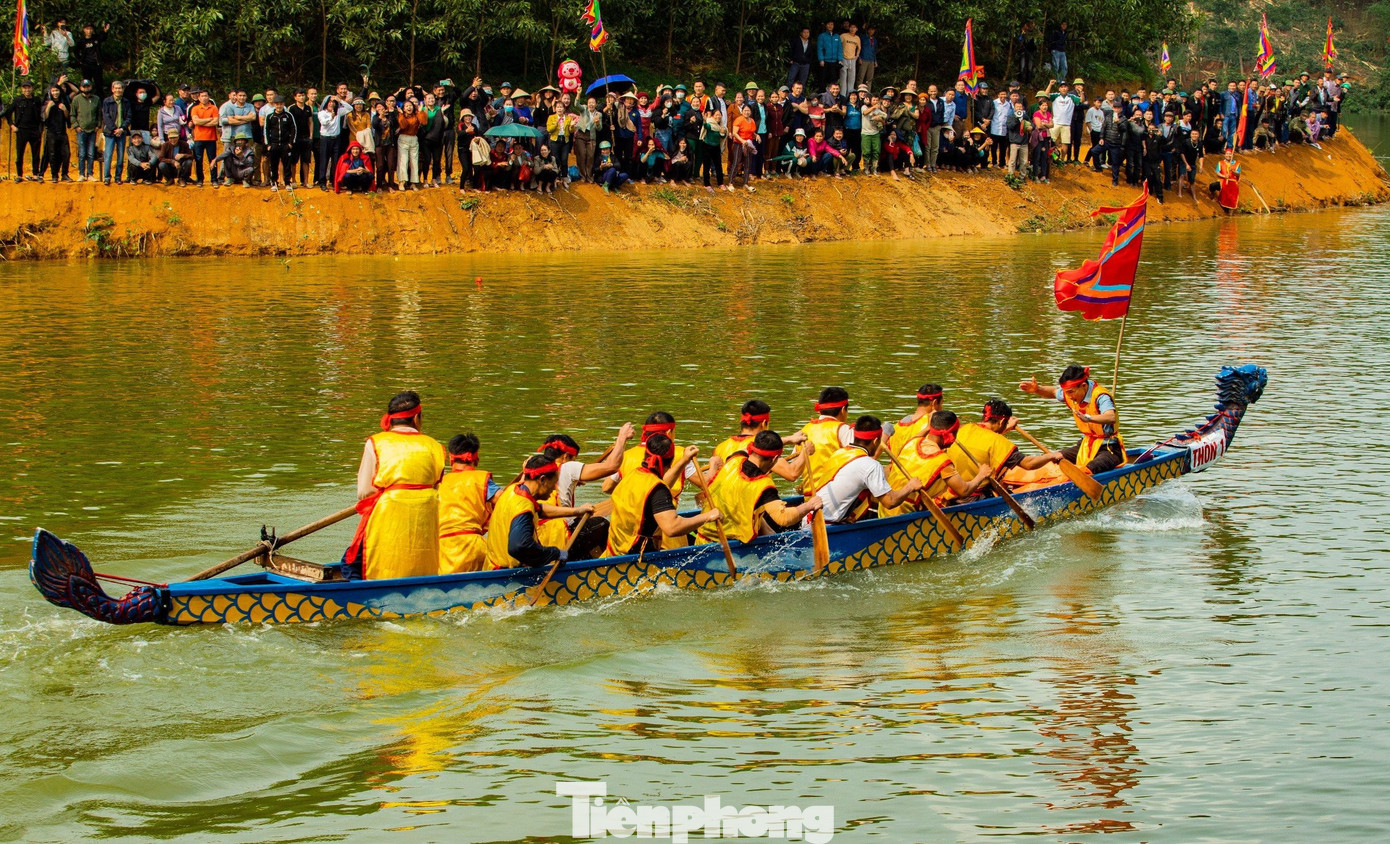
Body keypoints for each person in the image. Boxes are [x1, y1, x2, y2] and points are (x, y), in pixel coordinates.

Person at [345, 392, 445, 579]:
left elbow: (364, 491)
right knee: (420, 562)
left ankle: (357, 592)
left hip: (388, 514)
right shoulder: (435, 446)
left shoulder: (376, 442)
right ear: (416, 418)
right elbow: (437, 486)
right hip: (425, 517)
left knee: (349, 562)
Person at [695, 431, 824, 544]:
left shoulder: (735, 458)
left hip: (701, 539)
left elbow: (751, 448)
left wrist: (790, 439)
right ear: (775, 459)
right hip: (728, 547)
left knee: (760, 517)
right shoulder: (762, 484)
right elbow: (783, 518)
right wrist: (810, 505)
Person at [603, 435, 720, 557]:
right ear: (671, 462)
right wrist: (708, 516)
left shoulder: (634, 475)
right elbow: (672, 528)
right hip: (635, 559)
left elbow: (659, 485)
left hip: (613, 551)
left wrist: (685, 460)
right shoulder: (658, 490)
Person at [532, 424, 632, 558]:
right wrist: (622, 438)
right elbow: (612, 466)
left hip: (535, 537)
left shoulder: (534, 467)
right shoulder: (567, 467)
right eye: (574, 459)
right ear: (566, 457)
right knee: (601, 524)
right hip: (559, 537)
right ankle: (603, 564)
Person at [803, 415, 922, 524]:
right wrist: (910, 486)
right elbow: (890, 501)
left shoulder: (840, 453)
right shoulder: (871, 465)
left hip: (808, 518)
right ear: (875, 441)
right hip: (823, 527)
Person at [881, 411, 992, 516]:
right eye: (955, 433)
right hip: (903, 514)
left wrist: (929, 427)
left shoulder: (912, 441)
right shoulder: (942, 461)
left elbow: (920, 434)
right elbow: (964, 490)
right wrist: (981, 475)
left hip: (884, 506)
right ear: (950, 435)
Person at [1019, 365, 1126, 474]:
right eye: (1066, 392)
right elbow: (1054, 392)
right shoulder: (1070, 392)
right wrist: (1037, 389)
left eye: (1070, 392)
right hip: (1085, 445)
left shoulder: (1101, 396)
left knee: (1088, 470)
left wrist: (1088, 418)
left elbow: (1110, 416)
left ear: (1083, 386)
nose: (1068, 396)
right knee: (1054, 459)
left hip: (1109, 448)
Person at [485, 456, 579, 570]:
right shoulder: (523, 506)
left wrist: (576, 511)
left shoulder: (513, 489)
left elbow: (539, 509)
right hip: (508, 575)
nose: (554, 489)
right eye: (553, 483)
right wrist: (554, 553)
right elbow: (519, 546)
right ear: (542, 480)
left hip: (491, 567)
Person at [947, 399, 1062, 487]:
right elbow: (1029, 464)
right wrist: (1051, 455)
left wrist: (1005, 428)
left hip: (952, 489)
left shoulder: (963, 429)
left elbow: (984, 438)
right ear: (1002, 421)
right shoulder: (998, 441)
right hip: (972, 495)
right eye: (1005, 423)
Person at [437, 433, 497, 574]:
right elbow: (505, 501)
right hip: (473, 546)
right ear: (476, 459)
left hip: (443, 549)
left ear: (451, 459)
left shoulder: (438, 483)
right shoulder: (481, 479)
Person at [711, 400, 810, 482]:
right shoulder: (764, 446)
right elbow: (792, 474)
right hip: (753, 496)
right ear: (764, 423)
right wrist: (805, 452)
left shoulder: (720, 447)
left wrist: (789, 439)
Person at [797, 387, 856, 493]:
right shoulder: (842, 429)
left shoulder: (803, 431)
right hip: (835, 496)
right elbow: (859, 461)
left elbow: (796, 467)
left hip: (809, 496)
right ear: (843, 410)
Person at [99, 80, 130, 184]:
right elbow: (106, 116)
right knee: (108, 155)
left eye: (120, 88)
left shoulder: (126, 102)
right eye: (116, 88)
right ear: (112, 89)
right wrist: (114, 129)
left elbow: (129, 117)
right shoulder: (107, 101)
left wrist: (122, 128)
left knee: (120, 156)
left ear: (123, 89)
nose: (118, 90)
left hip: (122, 132)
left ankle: (118, 177)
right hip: (110, 132)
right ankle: (107, 177)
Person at [188, 89, 221, 186]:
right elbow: (195, 121)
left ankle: (214, 179)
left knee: (212, 159)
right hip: (198, 138)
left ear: (209, 97)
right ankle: (200, 179)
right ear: (199, 98)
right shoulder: (195, 108)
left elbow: (215, 122)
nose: (204, 98)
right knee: (198, 160)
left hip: (211, 138)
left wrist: (201, 122)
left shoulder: (214, 108)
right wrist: (209, 119)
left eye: (206, 96)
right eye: (202, 96)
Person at [263, 96, 296, 191]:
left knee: (287, 164)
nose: (279, 106)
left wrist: (291, 143)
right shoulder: (270, 116)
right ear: (274, 105)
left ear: (284, 104)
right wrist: (268, 144)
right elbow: (266, 130)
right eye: (277, 104)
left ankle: (287, 183)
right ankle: (274, 182)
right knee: (274, 164)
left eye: (281, 104)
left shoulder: (288, 115)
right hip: (274, 144)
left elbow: (293, 129)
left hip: (285, 144)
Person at [71, 79, 101, 181]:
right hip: (81, 131)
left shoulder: (96, 99)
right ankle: (81, 174)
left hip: (92, 131)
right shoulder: (76, 99)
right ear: (80, 88)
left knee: (91, 153)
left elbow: (99, 114)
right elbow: (72, 115)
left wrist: (98, 125)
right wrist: (76, 126)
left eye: (88, 86)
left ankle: (90, 174)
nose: (86, 88)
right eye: (84, 86)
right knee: (82, 153)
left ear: (91, 87)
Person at [39, 85, 71, 182]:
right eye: (53, 91)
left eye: (57, 90)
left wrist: (65, 110)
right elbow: (44, 118)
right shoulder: (47, 102)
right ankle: (54, 175)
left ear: (60, 91)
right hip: (51, 132)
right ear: (50, 92)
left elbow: (68, 118)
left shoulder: (64, 102)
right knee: (52, 154)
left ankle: (64, 174)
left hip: (62, 132)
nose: (55, 93)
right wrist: (48, 107)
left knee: (66, 154)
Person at [817, 20, 842, 91]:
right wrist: (821, 59)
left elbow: (839, 48)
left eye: (832, 24)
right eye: (828, 24)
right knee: (823, 79)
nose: (830, 26)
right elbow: (820, 48)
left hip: (834, 61)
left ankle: (832, 95)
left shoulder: (837, 36)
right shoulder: (822, 36)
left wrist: (840, 59)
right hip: (825, 61)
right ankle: (822, 94)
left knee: (833, 80)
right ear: (826, 25)